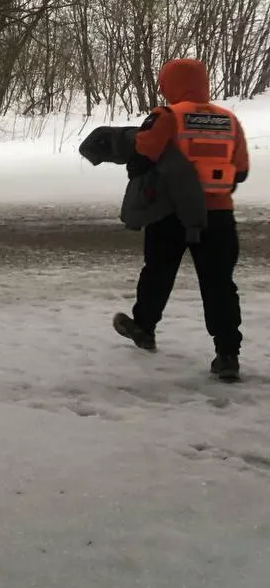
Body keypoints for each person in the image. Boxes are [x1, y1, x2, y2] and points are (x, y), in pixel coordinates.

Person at [110, 58, 249, 382]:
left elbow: (145, 151)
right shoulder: (229, 120)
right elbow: (239, 170)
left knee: (158, 272)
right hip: (219, 215)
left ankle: (144, 327)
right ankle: (227, 353)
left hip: (170, 213)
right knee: (219, 284)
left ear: (169, 84)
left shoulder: (168, 116)